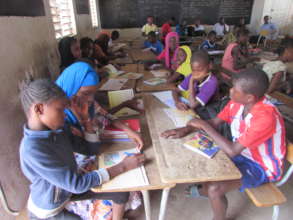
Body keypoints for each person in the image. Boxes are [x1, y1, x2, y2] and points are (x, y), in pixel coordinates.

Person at [161, 68, 286, 220]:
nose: (230, 91)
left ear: (249, 98)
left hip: (262, 166)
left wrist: (202, 125)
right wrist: (187, 129)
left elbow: (232, 150)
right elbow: (214, 122)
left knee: (215, 188)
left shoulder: (266, 117)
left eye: (235, 90)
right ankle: (204, 189)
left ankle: (214, 208)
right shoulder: (237, 103)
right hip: (241, 153)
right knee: (201, 163)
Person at [19, 78, 145, 220]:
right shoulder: (33, 150)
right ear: (39, 109)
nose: (65, 114)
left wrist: (86, 121)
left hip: (67, 188)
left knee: (121, 193)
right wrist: (123, 166)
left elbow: (91, 150)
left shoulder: (59, 130)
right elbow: (76, 184)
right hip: (50, 208)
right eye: (60, 109)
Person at [55, 61, 144, 149]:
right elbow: (87, 149)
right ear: (71, 88)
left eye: (93, 93)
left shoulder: (85, 102)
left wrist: (127, 129)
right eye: (86, 93)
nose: (91, 99)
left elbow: (106, 115)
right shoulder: (59, 119)